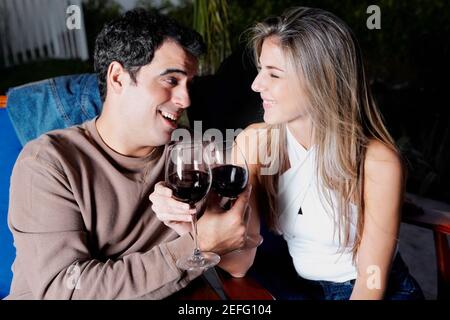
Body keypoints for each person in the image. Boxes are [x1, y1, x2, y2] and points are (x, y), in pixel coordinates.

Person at [5, 9, 251, 300]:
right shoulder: (48, 163)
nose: (185, 99)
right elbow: (65, 290)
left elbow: (238, 258)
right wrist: (196, 247)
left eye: (189, 85)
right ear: (118, 78)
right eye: (171, 81)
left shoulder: (192, 160)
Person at [242, 7, 424, 300]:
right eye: (260, 70)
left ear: (319, 81)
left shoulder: (377, 162)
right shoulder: (254, 143)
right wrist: (198, 220)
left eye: (273, 74)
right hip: (300, 289)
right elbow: (238, 264)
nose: (256, 85)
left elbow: (371, 280)